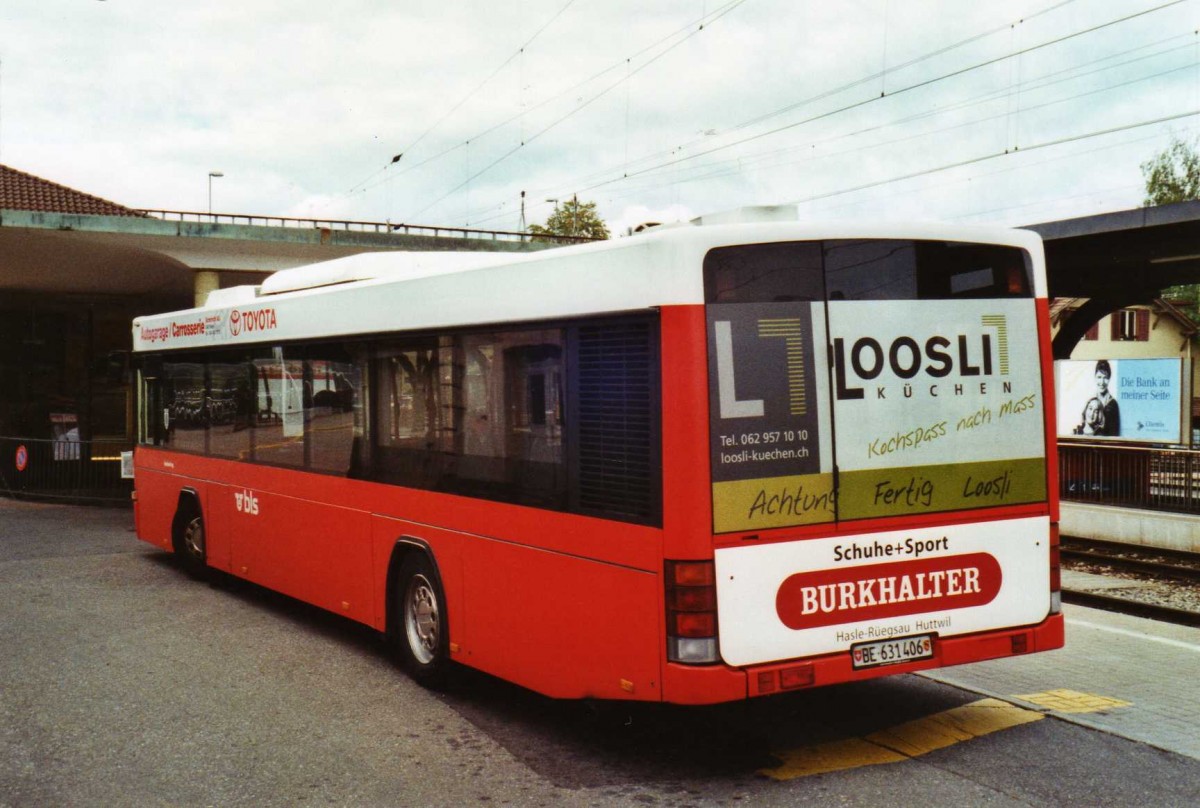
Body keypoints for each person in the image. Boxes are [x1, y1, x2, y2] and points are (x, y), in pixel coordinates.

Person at [1091, 360, 1120, 436]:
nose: (1102, 382)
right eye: (1099, 377)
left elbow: (1114, 435)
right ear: (1095, 377)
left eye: (1105, 378)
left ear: (1109, 378)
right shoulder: (1091, 402)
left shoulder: (1113, 404)